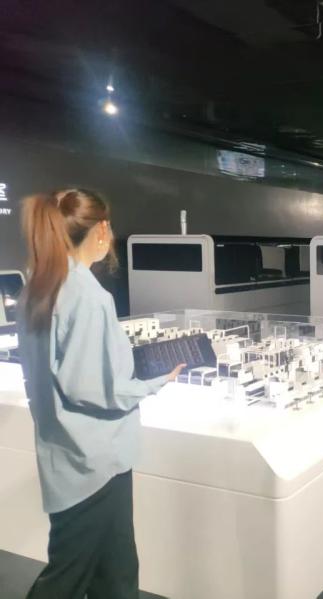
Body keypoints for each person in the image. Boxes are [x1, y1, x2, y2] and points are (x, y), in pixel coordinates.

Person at [17, 189, 185, 599]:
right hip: (96, 463)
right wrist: (156, 380)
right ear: (102, 229)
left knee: (114, 573)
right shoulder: (89, 297)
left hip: (67, 455)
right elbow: (92, 388)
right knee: (71, 578)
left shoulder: (39, 287)